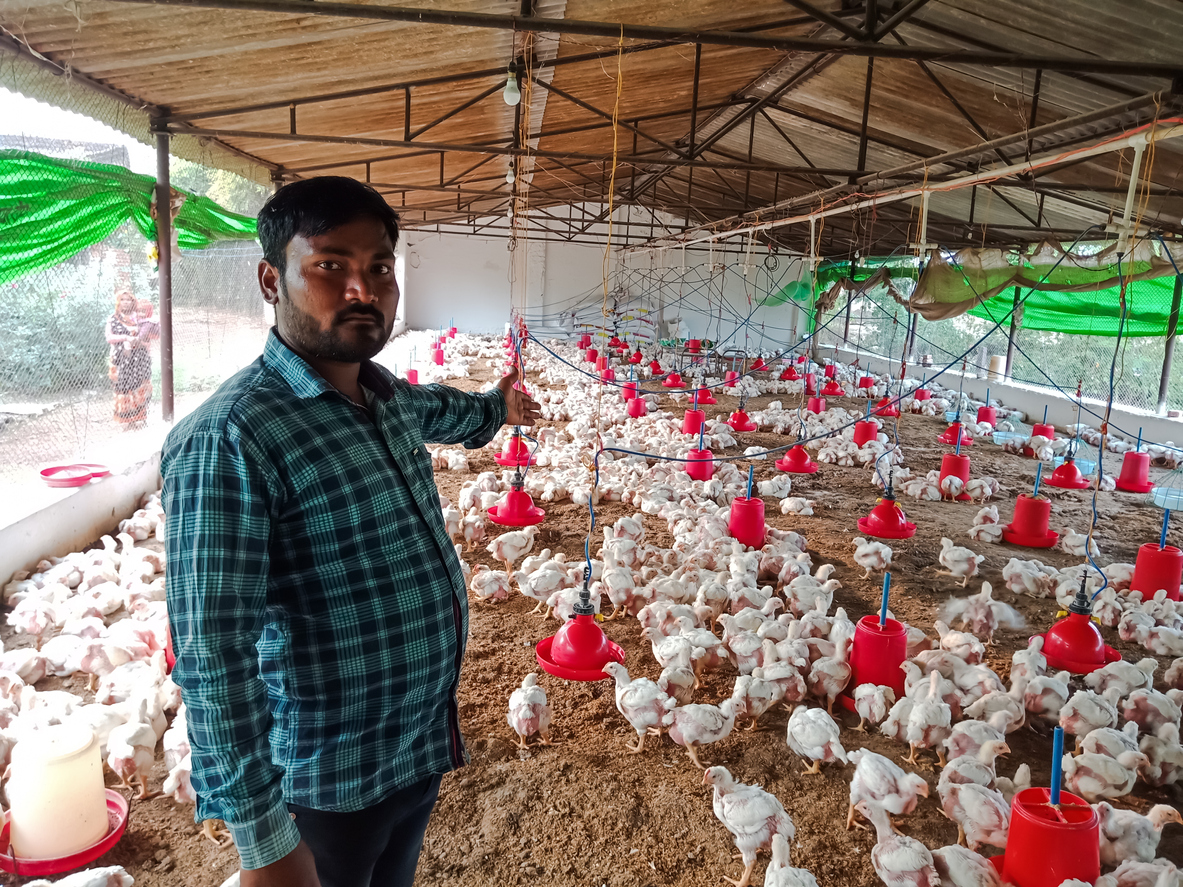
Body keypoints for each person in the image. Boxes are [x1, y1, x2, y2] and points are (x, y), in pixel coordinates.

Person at [161, 176, 540, 887]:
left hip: (412, 747)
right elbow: (213, 652)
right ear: (272, 280)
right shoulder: (233, 436)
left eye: (379, 268)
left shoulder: (383, 394)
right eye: (330, 266)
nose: (363, 289)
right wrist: (265, 844)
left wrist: (498, 408)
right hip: (323, 784)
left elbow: (443, 410)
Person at [105, 290, 154, 426]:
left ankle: (142, 418)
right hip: (121, 358)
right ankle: (129, 421)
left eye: (129, 300)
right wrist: (126, 337)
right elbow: (109, 337)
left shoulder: (139, 318)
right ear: (118, 302)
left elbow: (148, 335)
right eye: (123, 299)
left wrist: (142, 342)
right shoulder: (113, 318)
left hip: (140, 358)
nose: (126, 302)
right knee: (125, 389)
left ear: (133, 302)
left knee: (141, 386)